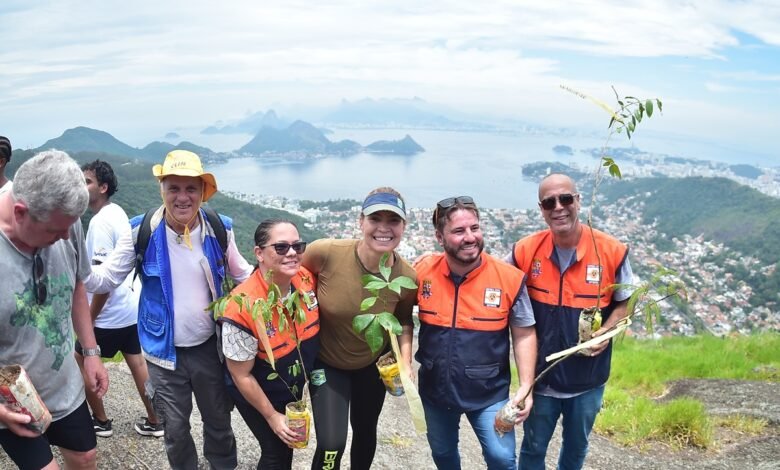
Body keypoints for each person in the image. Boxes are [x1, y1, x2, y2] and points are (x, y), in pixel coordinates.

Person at [85, 149, 253, 469]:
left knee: (218, 420)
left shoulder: (219, 228)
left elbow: (243, 275)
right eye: (173, 188)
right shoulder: (141, 231)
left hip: (209, 348)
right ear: (162, 189)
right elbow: (105, 278)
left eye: (191, 188)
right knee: (174, 429)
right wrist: (70, 259)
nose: (182, 197)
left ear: (203, 192)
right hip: (162, 353)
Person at [510, 173, 633, 470]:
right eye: (549, 202)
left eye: (565, 199)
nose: (558, 207)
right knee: (533, 448)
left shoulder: (611, 252)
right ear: (541, 209)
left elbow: (626, 302)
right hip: (542, 379)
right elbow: (500, 287)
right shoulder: (526, 250)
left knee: (576, 448)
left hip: (587, 379)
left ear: (578, 201)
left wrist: (606, 331)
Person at [0, 150, 109, 470]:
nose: (64, 237)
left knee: (86, 457)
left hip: (64, 385)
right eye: (53, 232)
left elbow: (76, 284)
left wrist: (90, 352)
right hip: (14, 399)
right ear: (20, 212)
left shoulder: (64, 219)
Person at [414, 195, 537, 470]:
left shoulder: (508, 278)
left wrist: (526, 386)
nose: (470, 237)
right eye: (458, 231)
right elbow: (398, 312)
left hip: (488, 391)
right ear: (439, 237)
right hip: (435, 389)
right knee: (443, 453)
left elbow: (524, 333)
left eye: (475, 228)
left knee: (502, 458)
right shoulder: (422, 272)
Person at [301, 187, 417, 470]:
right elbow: (295, 279)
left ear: (404, 227)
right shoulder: (326, 252)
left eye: (393, 221)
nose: (384, 228)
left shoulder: (405, 277)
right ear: (360, 221)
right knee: (331, 444)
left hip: (372, 366)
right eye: (376, 218)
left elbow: (403, 320)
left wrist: (405, 360)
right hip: (327, 363)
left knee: (366, 433)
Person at [219, 219, 320, 470]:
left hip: (290, 385)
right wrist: (272, 416)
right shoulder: (241, 306)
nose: (293, 253)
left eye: (298, 245)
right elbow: (240, 374)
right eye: (281, 247)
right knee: (275, 452)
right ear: (259, 253)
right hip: (257, 390)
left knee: (286, 451)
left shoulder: (305, 280)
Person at [74, 160, 162, 438]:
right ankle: (156, 420)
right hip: (130, 308)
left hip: (108, 315)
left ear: (103, 187)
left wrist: (89, 317)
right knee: (137, 363)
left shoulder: (99, 223)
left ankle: (100, 420)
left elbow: (103, 282)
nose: (81, 186)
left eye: (87, 181)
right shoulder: (117, 211)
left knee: (81, 358)